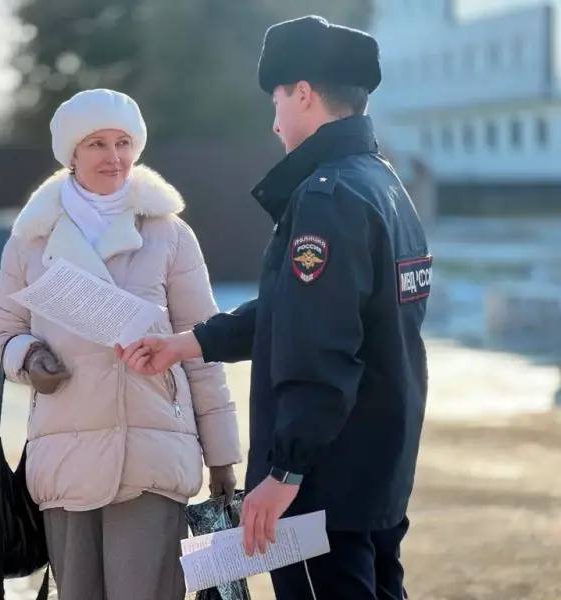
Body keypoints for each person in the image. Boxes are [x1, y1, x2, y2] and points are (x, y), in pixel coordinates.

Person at [117, 16, 431, 600]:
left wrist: (285, 473)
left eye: (278, 100)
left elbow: (324, 351)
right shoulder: (382, 184)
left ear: (304, 94)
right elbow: (304, 310)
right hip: (375, 467)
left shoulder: (326, 197)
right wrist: (191, 342)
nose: (274, 122)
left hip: (321, 484)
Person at [0, 88, 242, 600]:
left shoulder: (169, 234)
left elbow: (203, 348)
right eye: (98, 143)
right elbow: (3, 334)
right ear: (72, 154)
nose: (114, 156)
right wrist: (29, 358)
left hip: (151, 453)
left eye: (124, 142)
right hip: (66, 457)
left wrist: (222, 456)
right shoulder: (30, 240)